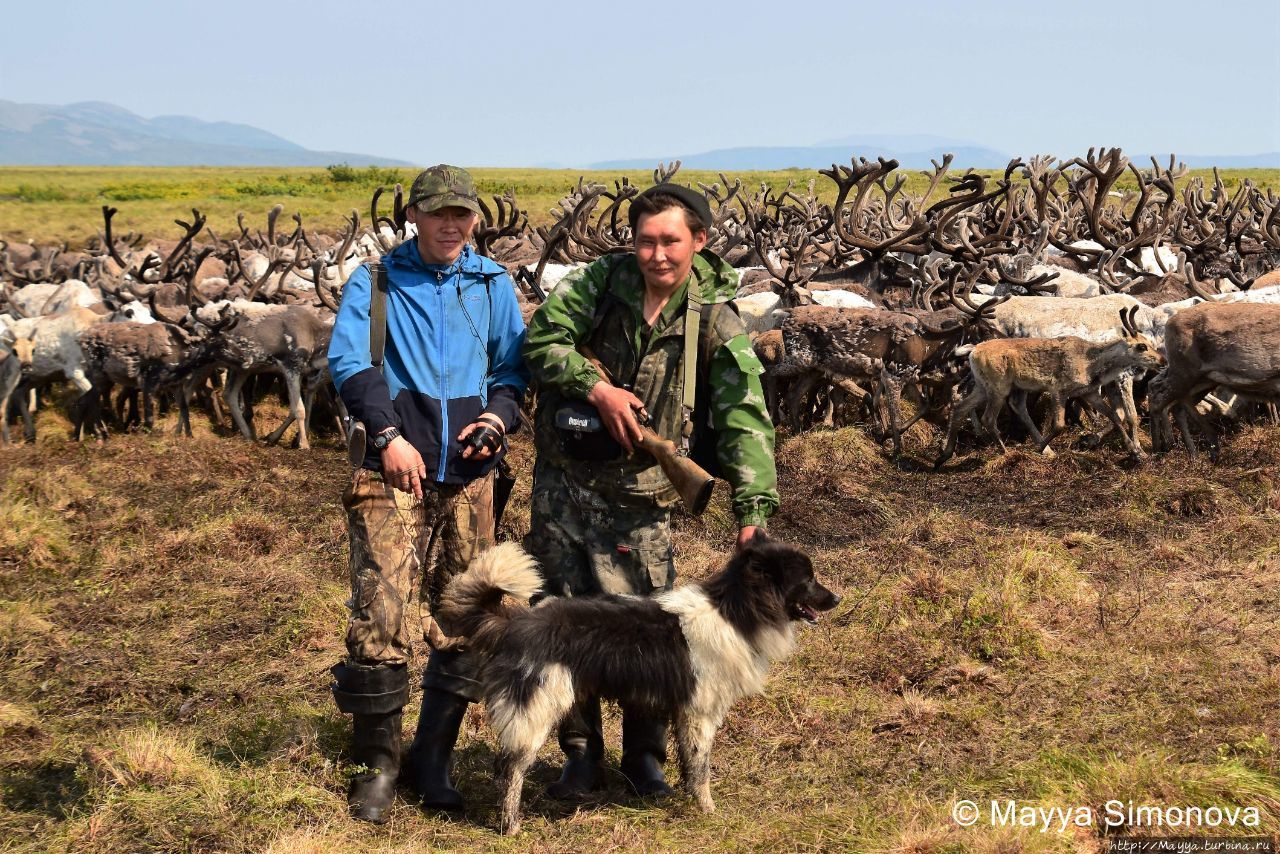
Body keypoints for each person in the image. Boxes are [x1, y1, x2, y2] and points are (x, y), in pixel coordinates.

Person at [521, 183, 779, 799]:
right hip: (564, 485)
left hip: (640, 499)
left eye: (670, 240)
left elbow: (744, 413)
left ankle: (645, 757)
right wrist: (596, 387)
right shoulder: (595, 285)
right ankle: (580, 755)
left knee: (647, 632)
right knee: (563, 620)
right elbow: (540, 343)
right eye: (645, 240)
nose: (657, 254)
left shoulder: (713, 316)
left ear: (700, 240)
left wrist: (752, 509)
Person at [326, 164, 528, 823]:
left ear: (475, 218)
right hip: (391, 471)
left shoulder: (493, 285)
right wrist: (386, 436)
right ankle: (377, 767)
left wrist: (497, 420)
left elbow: (511, 369)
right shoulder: (378, 281)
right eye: (438, 212)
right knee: (380, 613)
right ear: (412, 215)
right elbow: (349, 363)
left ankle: (432, 757)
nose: (451, 224)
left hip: (470, 479)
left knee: (471, 616)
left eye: (462, 213)